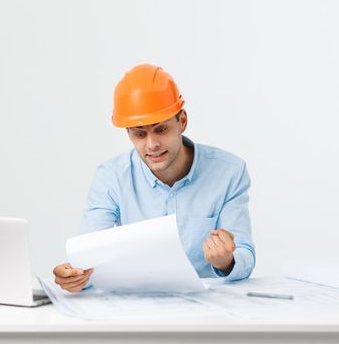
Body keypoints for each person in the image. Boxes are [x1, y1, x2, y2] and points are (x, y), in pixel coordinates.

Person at [53, 64, 255, 292]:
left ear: (182, 121)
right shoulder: (111, 177)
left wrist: (225, 261)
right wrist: (75, 276)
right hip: (137, 309)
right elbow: (90, 258)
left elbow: (244, 253)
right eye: (140, 134)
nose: (152, 145)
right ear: (128, 133)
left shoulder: (229, 172)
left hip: (206, 311)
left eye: (161, 130)